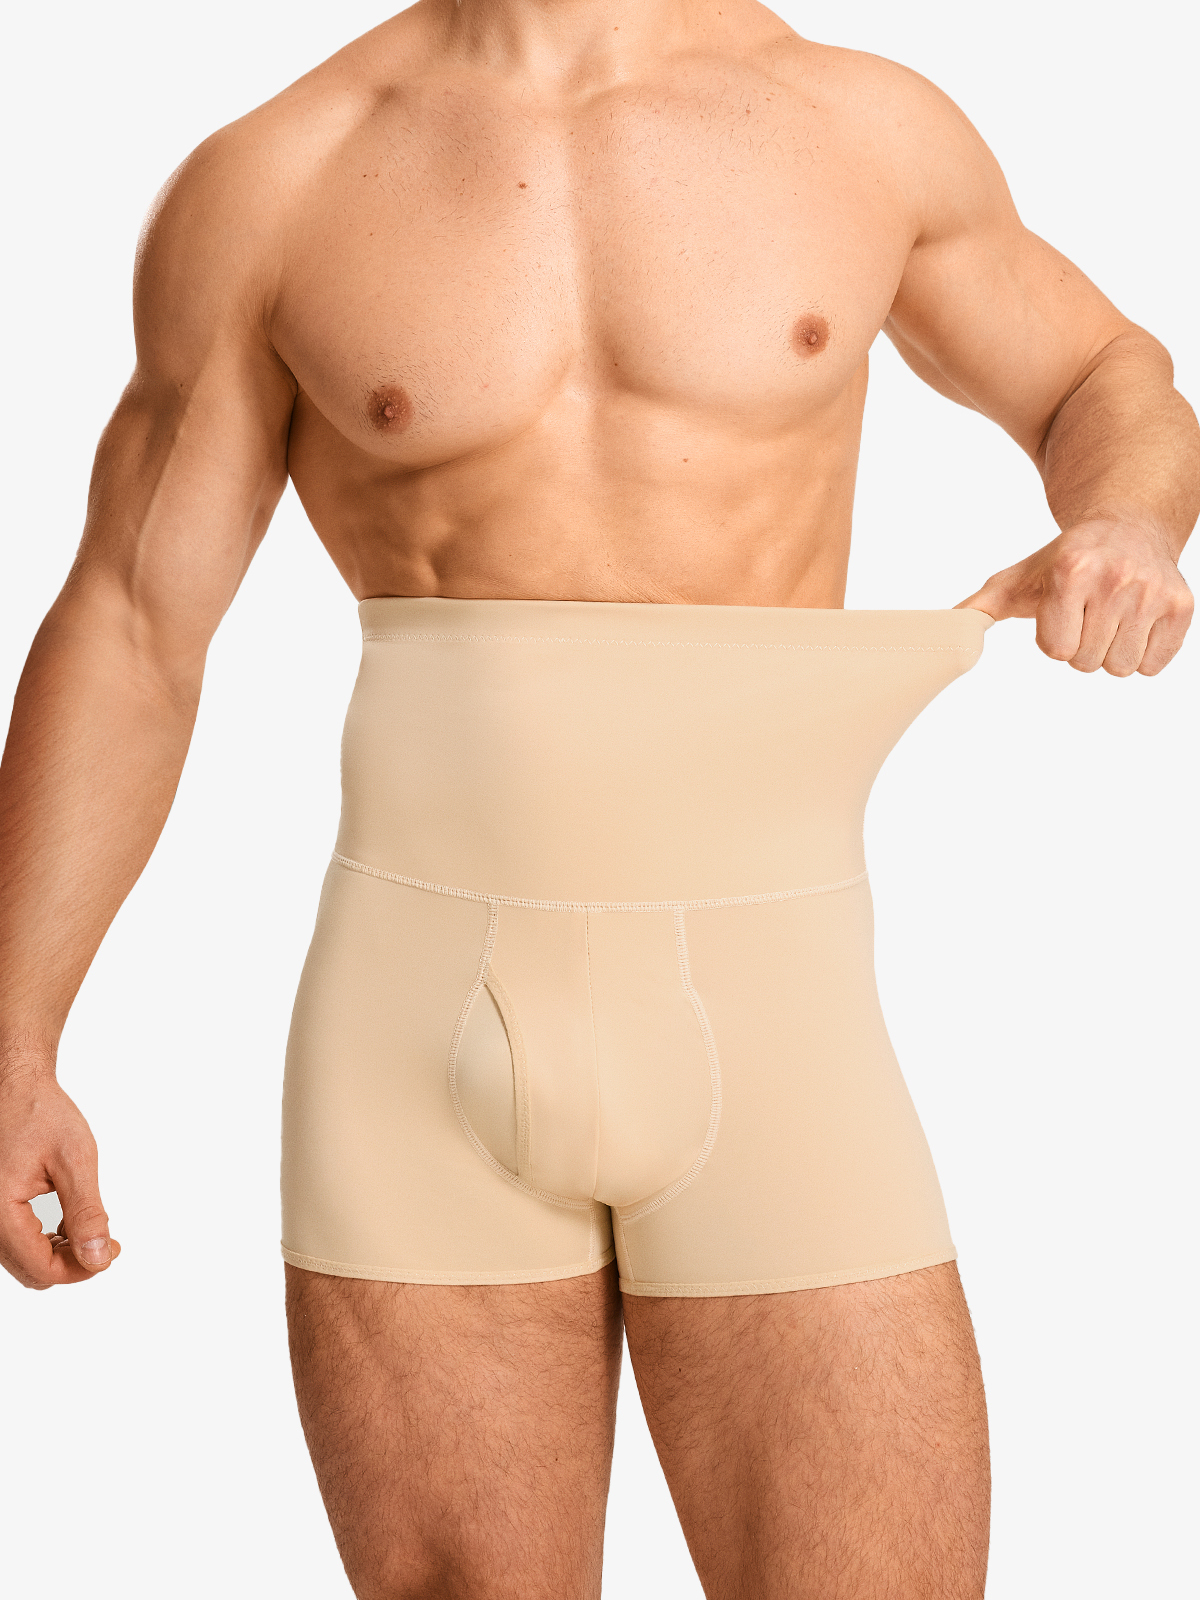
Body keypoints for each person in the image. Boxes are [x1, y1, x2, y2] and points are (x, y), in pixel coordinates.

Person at [0, 2, 1195, 1597]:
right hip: (416, 1033)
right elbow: (135, 625)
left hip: (779, 1023)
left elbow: (1101, 372)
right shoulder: (279, 175)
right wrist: (14, 1034)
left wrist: (1126, 517)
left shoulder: (858, 126)